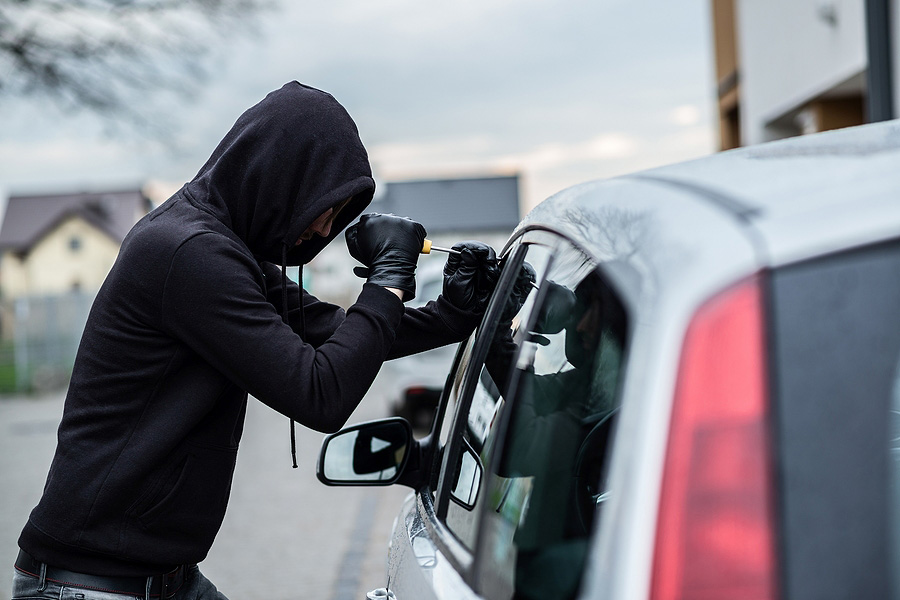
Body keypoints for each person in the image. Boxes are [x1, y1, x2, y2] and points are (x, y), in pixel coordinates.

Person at [11, 82, 499, 600]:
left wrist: (452, 314)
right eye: (326, 207)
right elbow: (320, 393)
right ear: (284, 179)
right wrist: (386, 282)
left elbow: (336, 332)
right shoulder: (188, 254)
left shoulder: (221, 248)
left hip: (164, 579)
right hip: (91, 585)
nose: (323, 228)